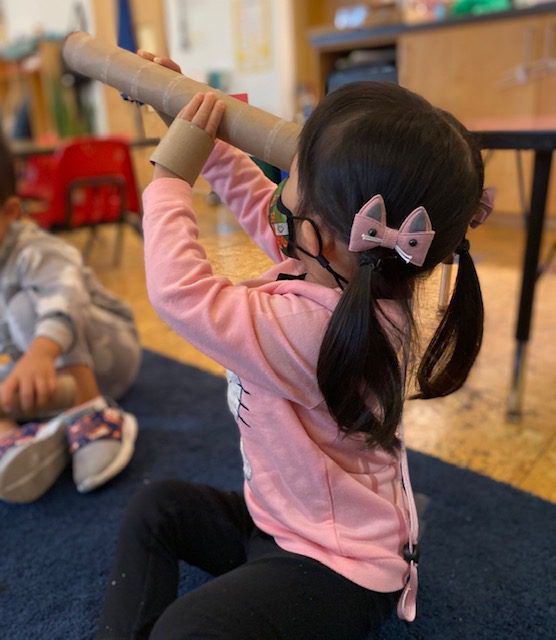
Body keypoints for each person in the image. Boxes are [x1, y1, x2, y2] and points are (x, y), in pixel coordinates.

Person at [96, 57, 493, 640]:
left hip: (341, 569)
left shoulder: (316, 330)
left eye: (292, 182)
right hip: (280, 522)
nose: (280, 192)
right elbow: (269, 212)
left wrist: (169, 182)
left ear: (326, 235)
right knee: (158, 508)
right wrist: (190, 121)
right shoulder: (362, 274)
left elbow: (182, 294)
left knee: (186, 629)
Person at [0, 134, 142, 503]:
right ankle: (15, 441)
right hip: (46, 375)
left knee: (26, 306)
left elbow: (65, 297)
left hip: (106, 356)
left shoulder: (35, 250)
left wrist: (41, 353)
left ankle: (91, 414)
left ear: (11, 213)